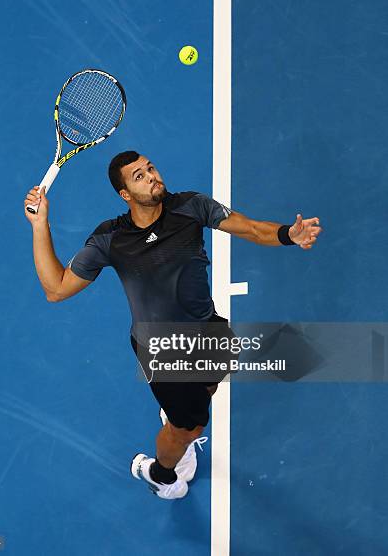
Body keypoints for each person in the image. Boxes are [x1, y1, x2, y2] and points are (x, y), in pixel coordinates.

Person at [24, 150, 322, 500]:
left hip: (207, 330)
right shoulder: (111, 239)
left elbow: (254, 229)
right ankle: (161, 474)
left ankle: (177, 421)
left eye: (150, 168)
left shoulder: (191, 207)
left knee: (214, 377)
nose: (151, 176)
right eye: (139, 176)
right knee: (189, 427)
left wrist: (290, 234)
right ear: (125, 195)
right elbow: (56, 289)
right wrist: (40, 224)